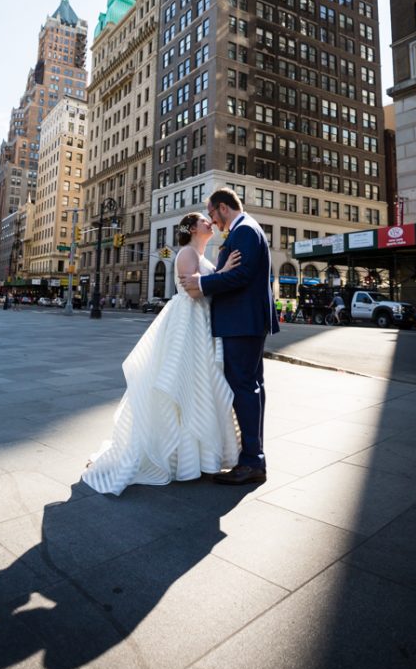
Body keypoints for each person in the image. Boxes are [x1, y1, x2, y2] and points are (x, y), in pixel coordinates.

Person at [82, 212, 242, 496]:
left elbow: (206, 287)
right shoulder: (186, 253)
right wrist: (224, 271)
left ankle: (199, 457)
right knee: (181, 384)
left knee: (200, 386)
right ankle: (175, 458)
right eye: (205, 221)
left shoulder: (203, 254)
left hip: (201, 324)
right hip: (187, 324)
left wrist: (221, 272)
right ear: (193, 228)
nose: (210, 223)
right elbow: (194, 291)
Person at [181, 188, 280, 486]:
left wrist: (201, 280)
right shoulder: (244, 230)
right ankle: (252, 456)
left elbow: (241, 276)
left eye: (211, 213)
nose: (212, 220)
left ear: (223, 208)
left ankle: (252, 462)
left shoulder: (246, 230)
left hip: (243, 323)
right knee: (250, 386)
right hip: (243, 322)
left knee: (244, 388)